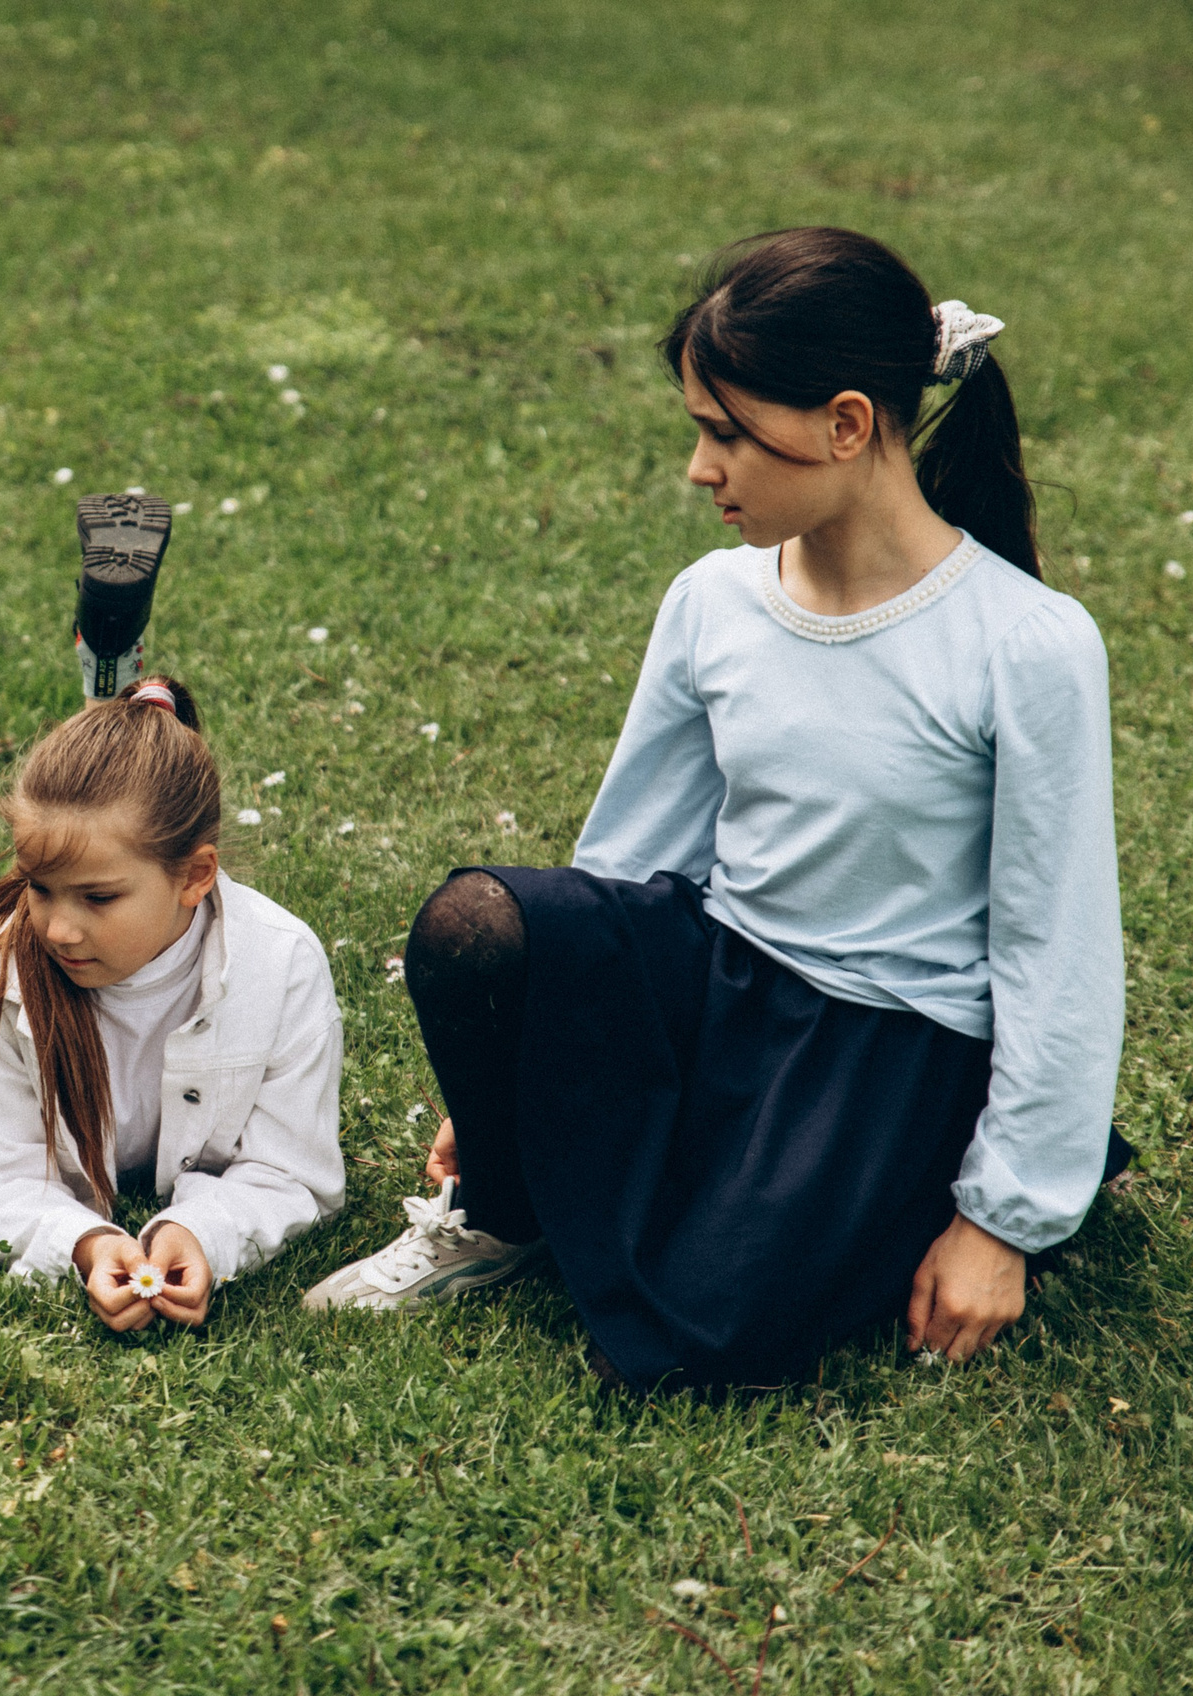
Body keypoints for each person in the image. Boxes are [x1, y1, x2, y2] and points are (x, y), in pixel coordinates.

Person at [306, 228, 1129, 1391]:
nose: (702, 467)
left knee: (704, 1339)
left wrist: (1004, 1223)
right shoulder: (711, 602)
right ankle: (506, 1217)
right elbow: (626, 870)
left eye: (727, 433)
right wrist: (524, 1079)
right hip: (725, 977)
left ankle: (975, 1185)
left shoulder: (1029, 646)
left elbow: (1060, 952)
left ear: (847, 425)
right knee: (478, 923)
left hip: (880, 1044)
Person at [0, 676, 344, 1330]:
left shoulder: (282, 964)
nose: (61, 928)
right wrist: (84, 1243)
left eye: (98, 897)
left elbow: (291, 1169)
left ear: (195, 876)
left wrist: (204, 1229)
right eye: (38, 887)